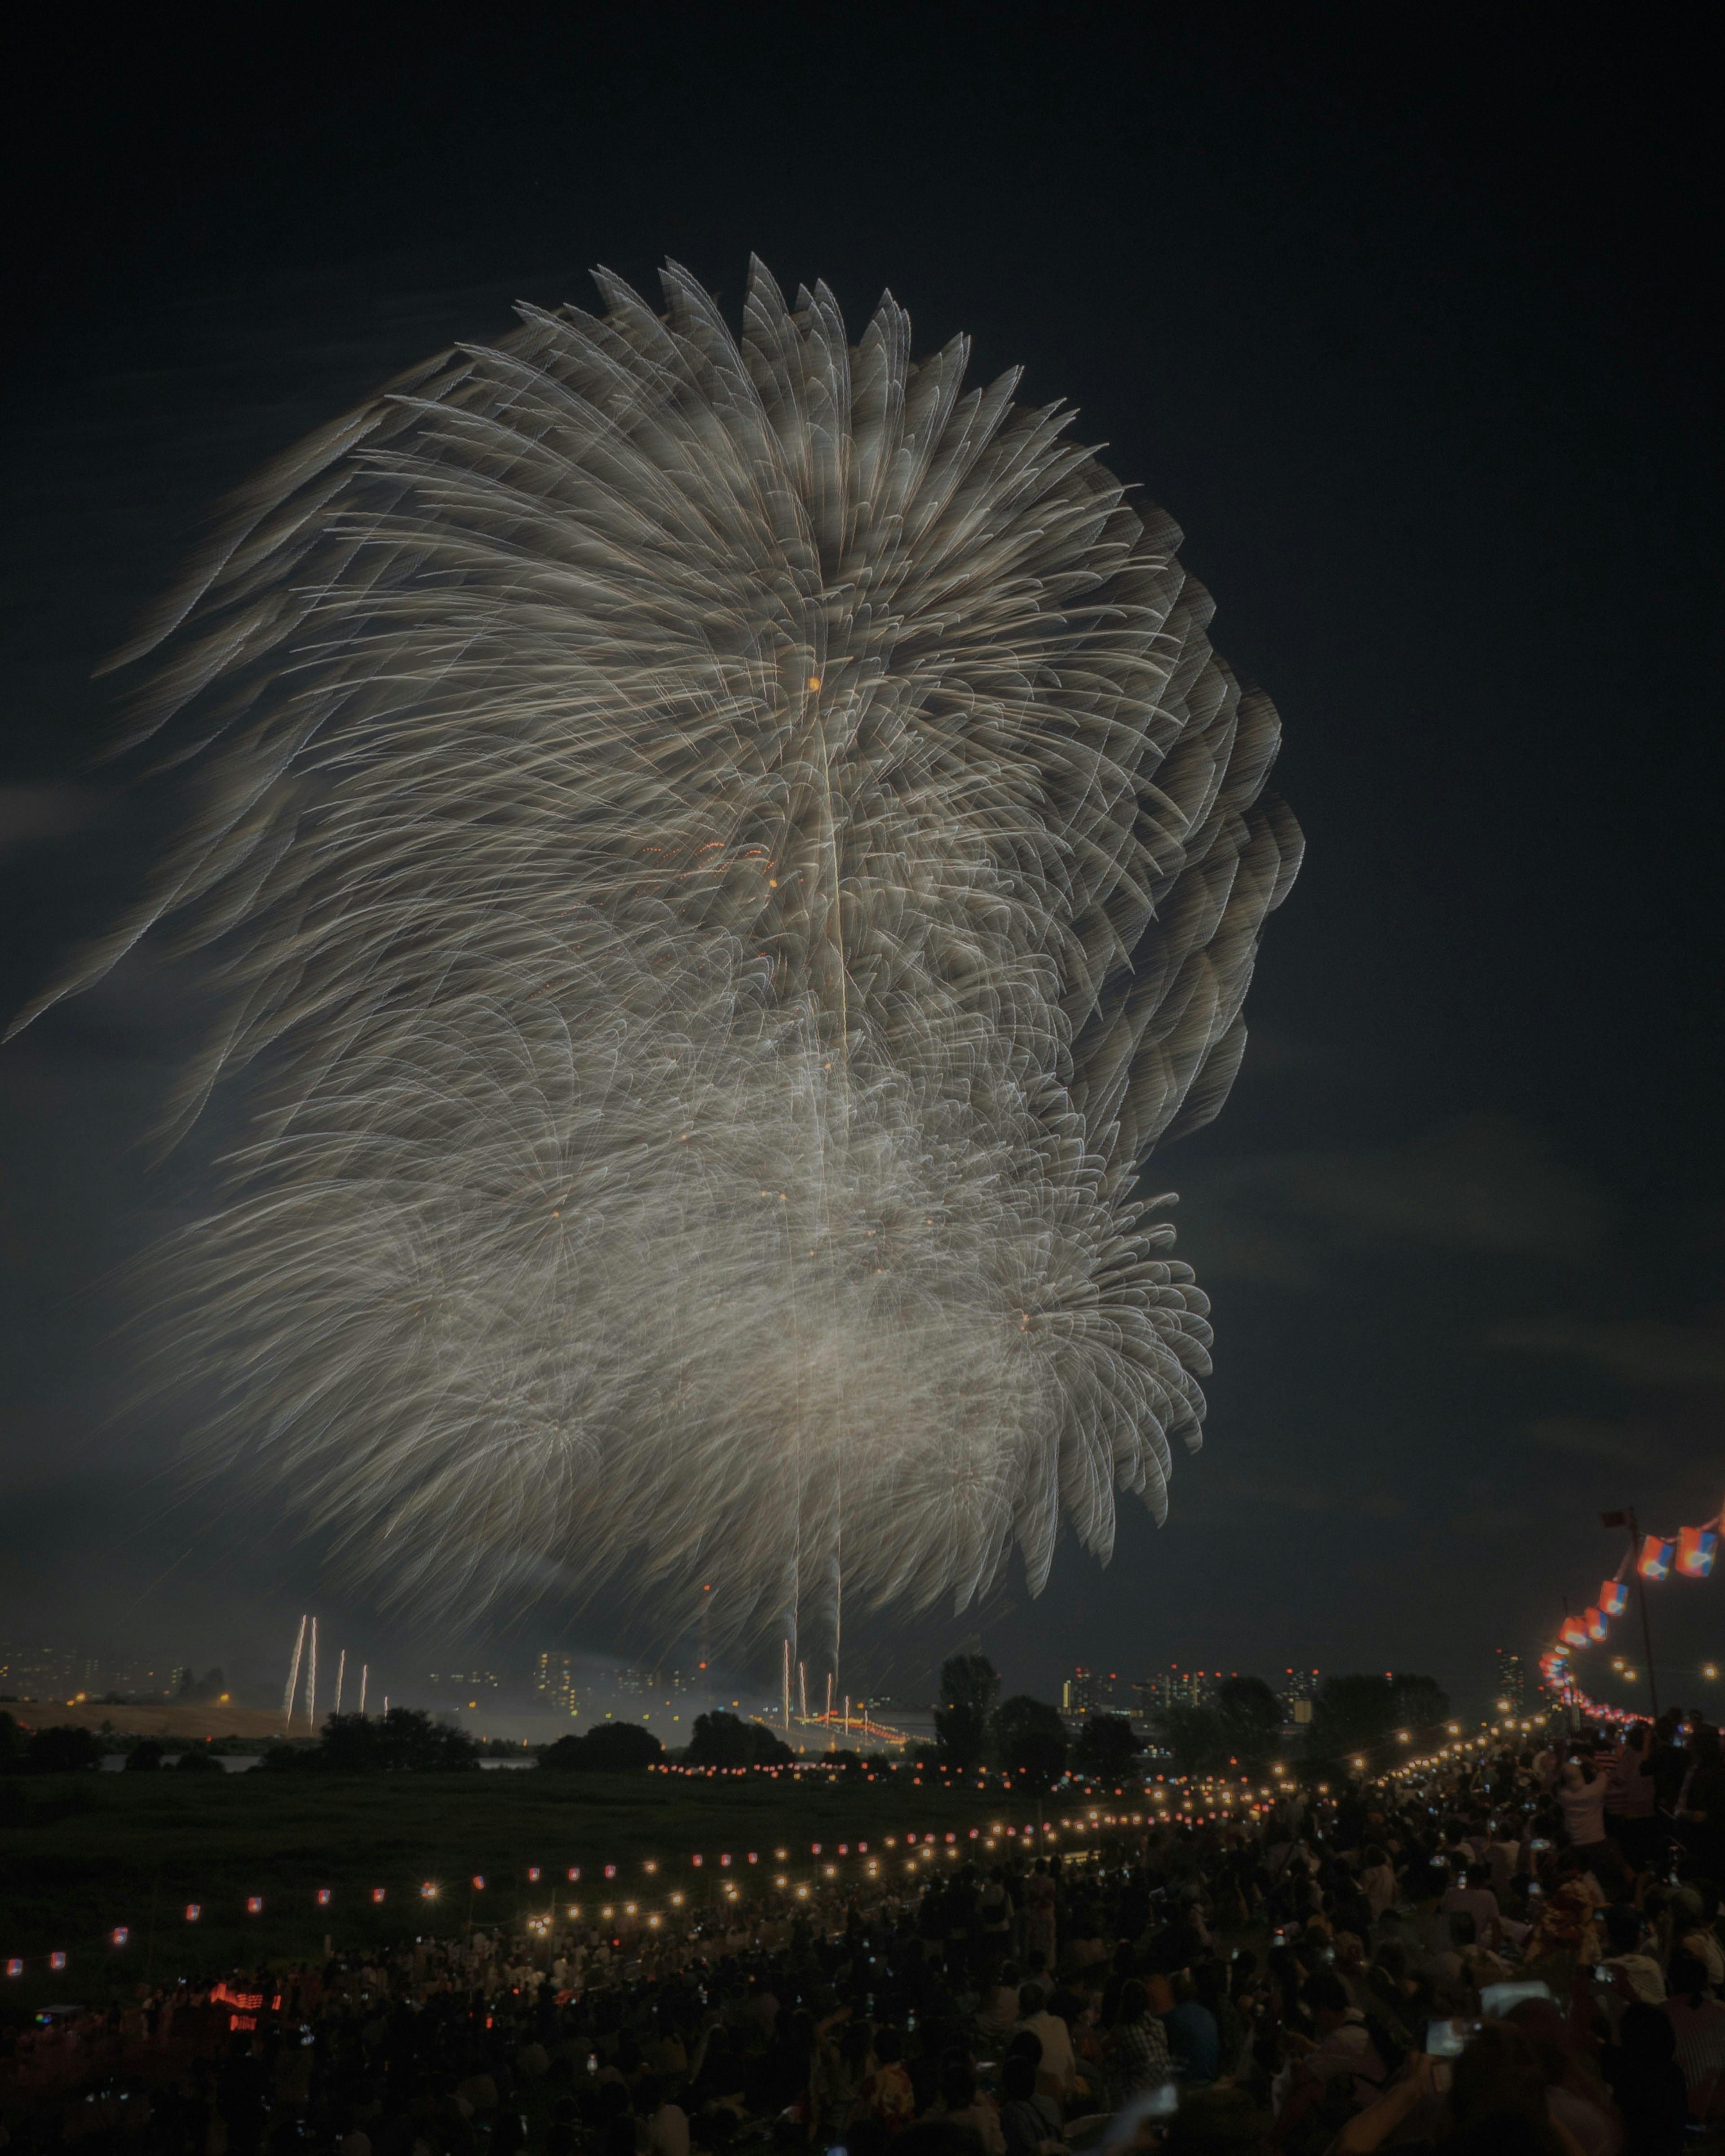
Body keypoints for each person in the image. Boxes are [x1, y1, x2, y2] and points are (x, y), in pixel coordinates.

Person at [1661, 1950, 1725, 2124]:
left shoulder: (1663, 2014)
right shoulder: (1719, 2013)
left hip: (1683, 2111)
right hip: (1717, 2108)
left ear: (1671, 1983)